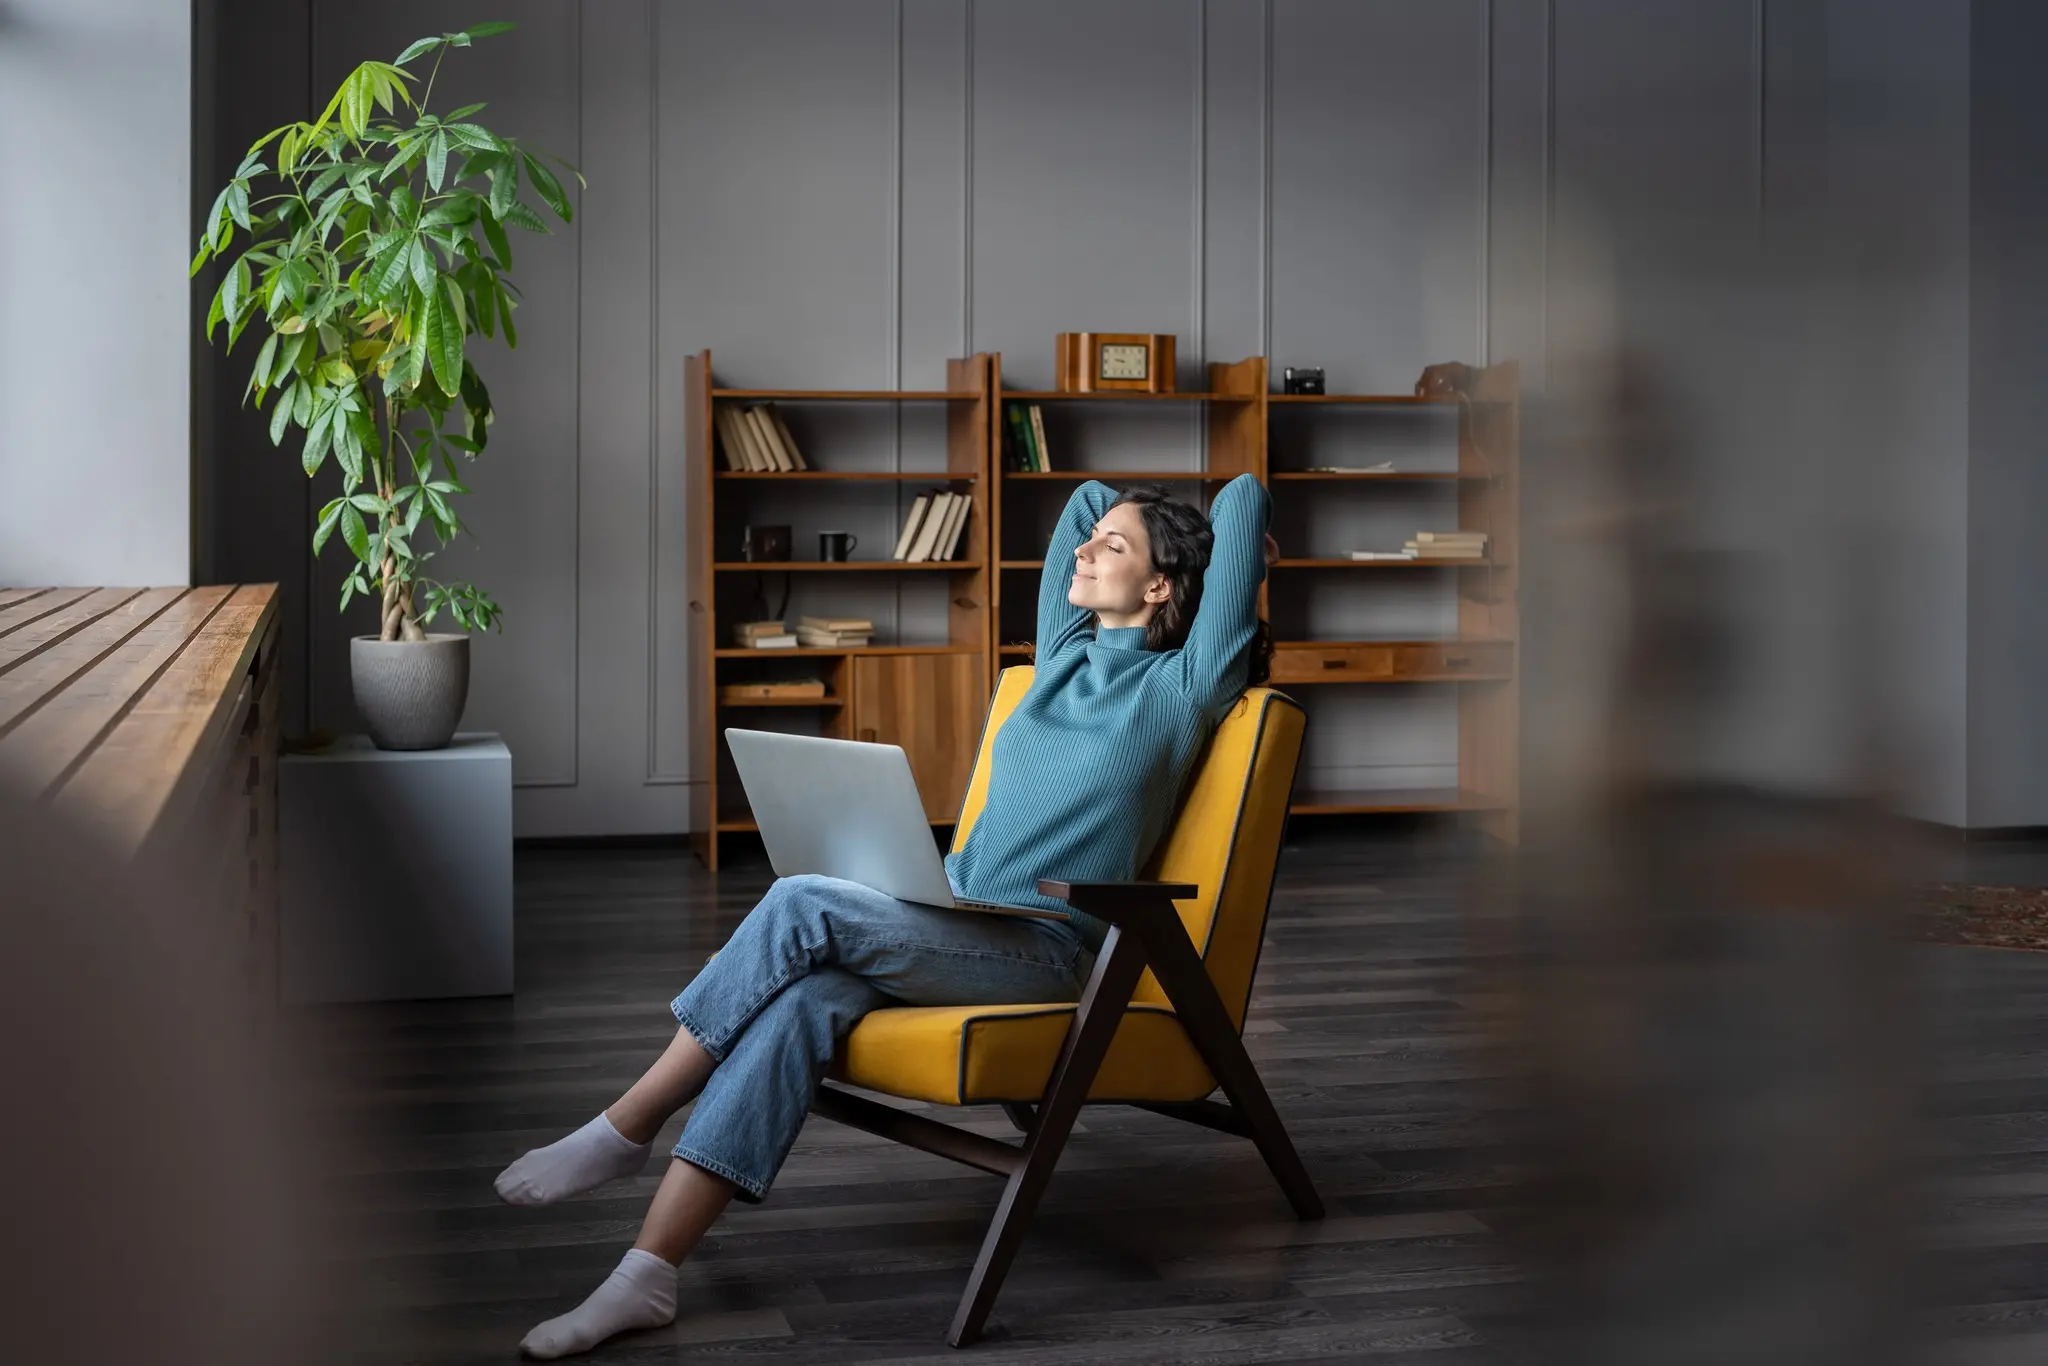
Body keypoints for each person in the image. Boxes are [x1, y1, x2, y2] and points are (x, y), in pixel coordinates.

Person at [497, 474, 1274, 1357]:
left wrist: (1184, 526)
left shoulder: (1181, 689)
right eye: (1094, 543)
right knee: (802, 1001)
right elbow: (1081, 502)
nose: (1089, 549)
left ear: (1164, 587)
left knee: (798, 900)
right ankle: (647, 1274)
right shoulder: (1059, 659)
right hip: (953, 920)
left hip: (1045, 951)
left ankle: (627, 1125)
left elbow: (1245, 497)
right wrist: (1117, 515)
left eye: (1117, 548)